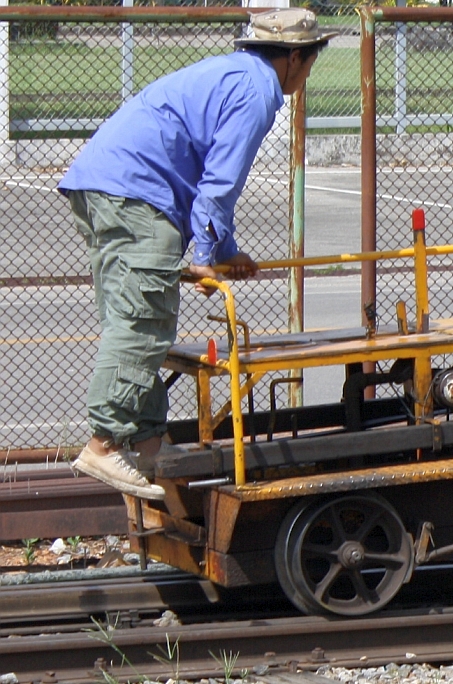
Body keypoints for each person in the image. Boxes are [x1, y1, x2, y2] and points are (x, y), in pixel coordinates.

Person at [59, 8, 339, 500]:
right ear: (295, 58)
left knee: (134, 317)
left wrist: (225, 249)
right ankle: (104, 443)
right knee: (143, 322)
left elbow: (208, 169)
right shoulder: (258, 92)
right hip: (138, 193)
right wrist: (208, 253)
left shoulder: (233, 73)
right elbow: (219, 183)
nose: (307, 75)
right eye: (311, 63)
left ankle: (148, 444)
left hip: (103, 184)